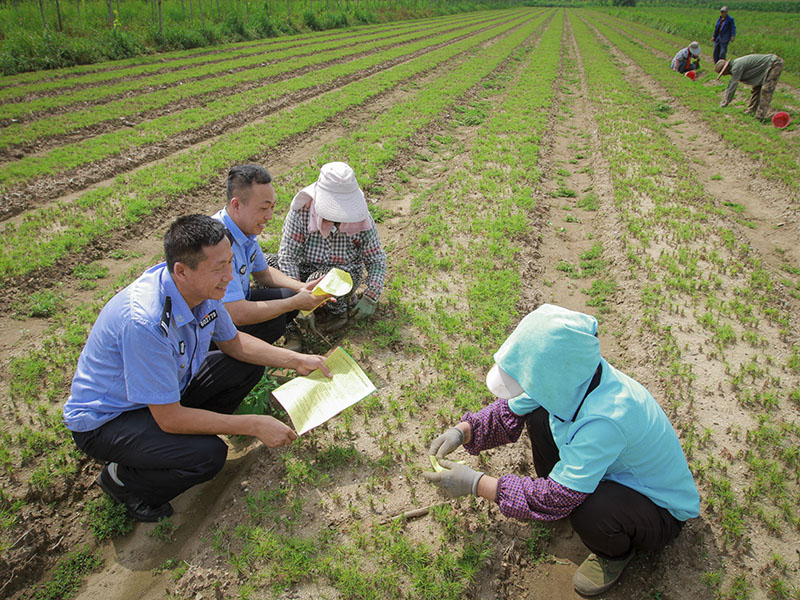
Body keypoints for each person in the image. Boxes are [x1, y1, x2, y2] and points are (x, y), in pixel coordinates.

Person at [62, 215, 331, 522]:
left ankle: (173, 447)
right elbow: (169, 418)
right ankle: (123, 480)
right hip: (109, 420)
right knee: (209, 456)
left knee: (242, 368)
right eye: (219, 267)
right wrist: (254, 424)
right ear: (182, 271)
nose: (229, 276)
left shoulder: (203, 291)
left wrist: (296, 360)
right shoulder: (145, 323)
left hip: (163, 395)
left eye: (230, 262)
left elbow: (234, 344)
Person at [424, 304, 700, 596]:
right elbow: (510, 411)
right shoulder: (572, 379)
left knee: (590, 510)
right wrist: (464, 431)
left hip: (658, 511)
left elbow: (560, 496)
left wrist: (475, 484)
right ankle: (564, 496)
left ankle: (613, 555)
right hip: (612, 472)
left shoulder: (607, 419)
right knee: (540, 414)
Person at [212, 165, 331, 352]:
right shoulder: (218, 244)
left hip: (238, 304)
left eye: (272, 207)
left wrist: (302, 287)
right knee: (275, 321)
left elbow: (263, 273)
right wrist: (295, 303)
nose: (269, 216)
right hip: (215, 325)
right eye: (263, 208)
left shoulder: (245, 231)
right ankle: (231, 358)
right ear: (236, 205)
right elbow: (238, 314)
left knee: (290, 296)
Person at [276, 162, 387, 333]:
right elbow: (288, 258)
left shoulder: (362, 220)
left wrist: (371, 297)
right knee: (269, 268)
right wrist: (298, 297)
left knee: (322, 277)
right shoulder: (301, 214)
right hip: (303, 274)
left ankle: (337, 313)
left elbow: (376, 260)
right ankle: (291, 329)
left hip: (343, 276)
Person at [715, 54, 784, 120]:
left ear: (726, 68)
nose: (724, 75)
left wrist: (725, 103)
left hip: (774, 64)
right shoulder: (736, 65)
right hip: (764, 68)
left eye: (723, 73)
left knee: (766, 90)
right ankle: (751, 111)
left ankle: (760, 116)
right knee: (756, 89)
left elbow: (732, 85)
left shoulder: (736, 67)